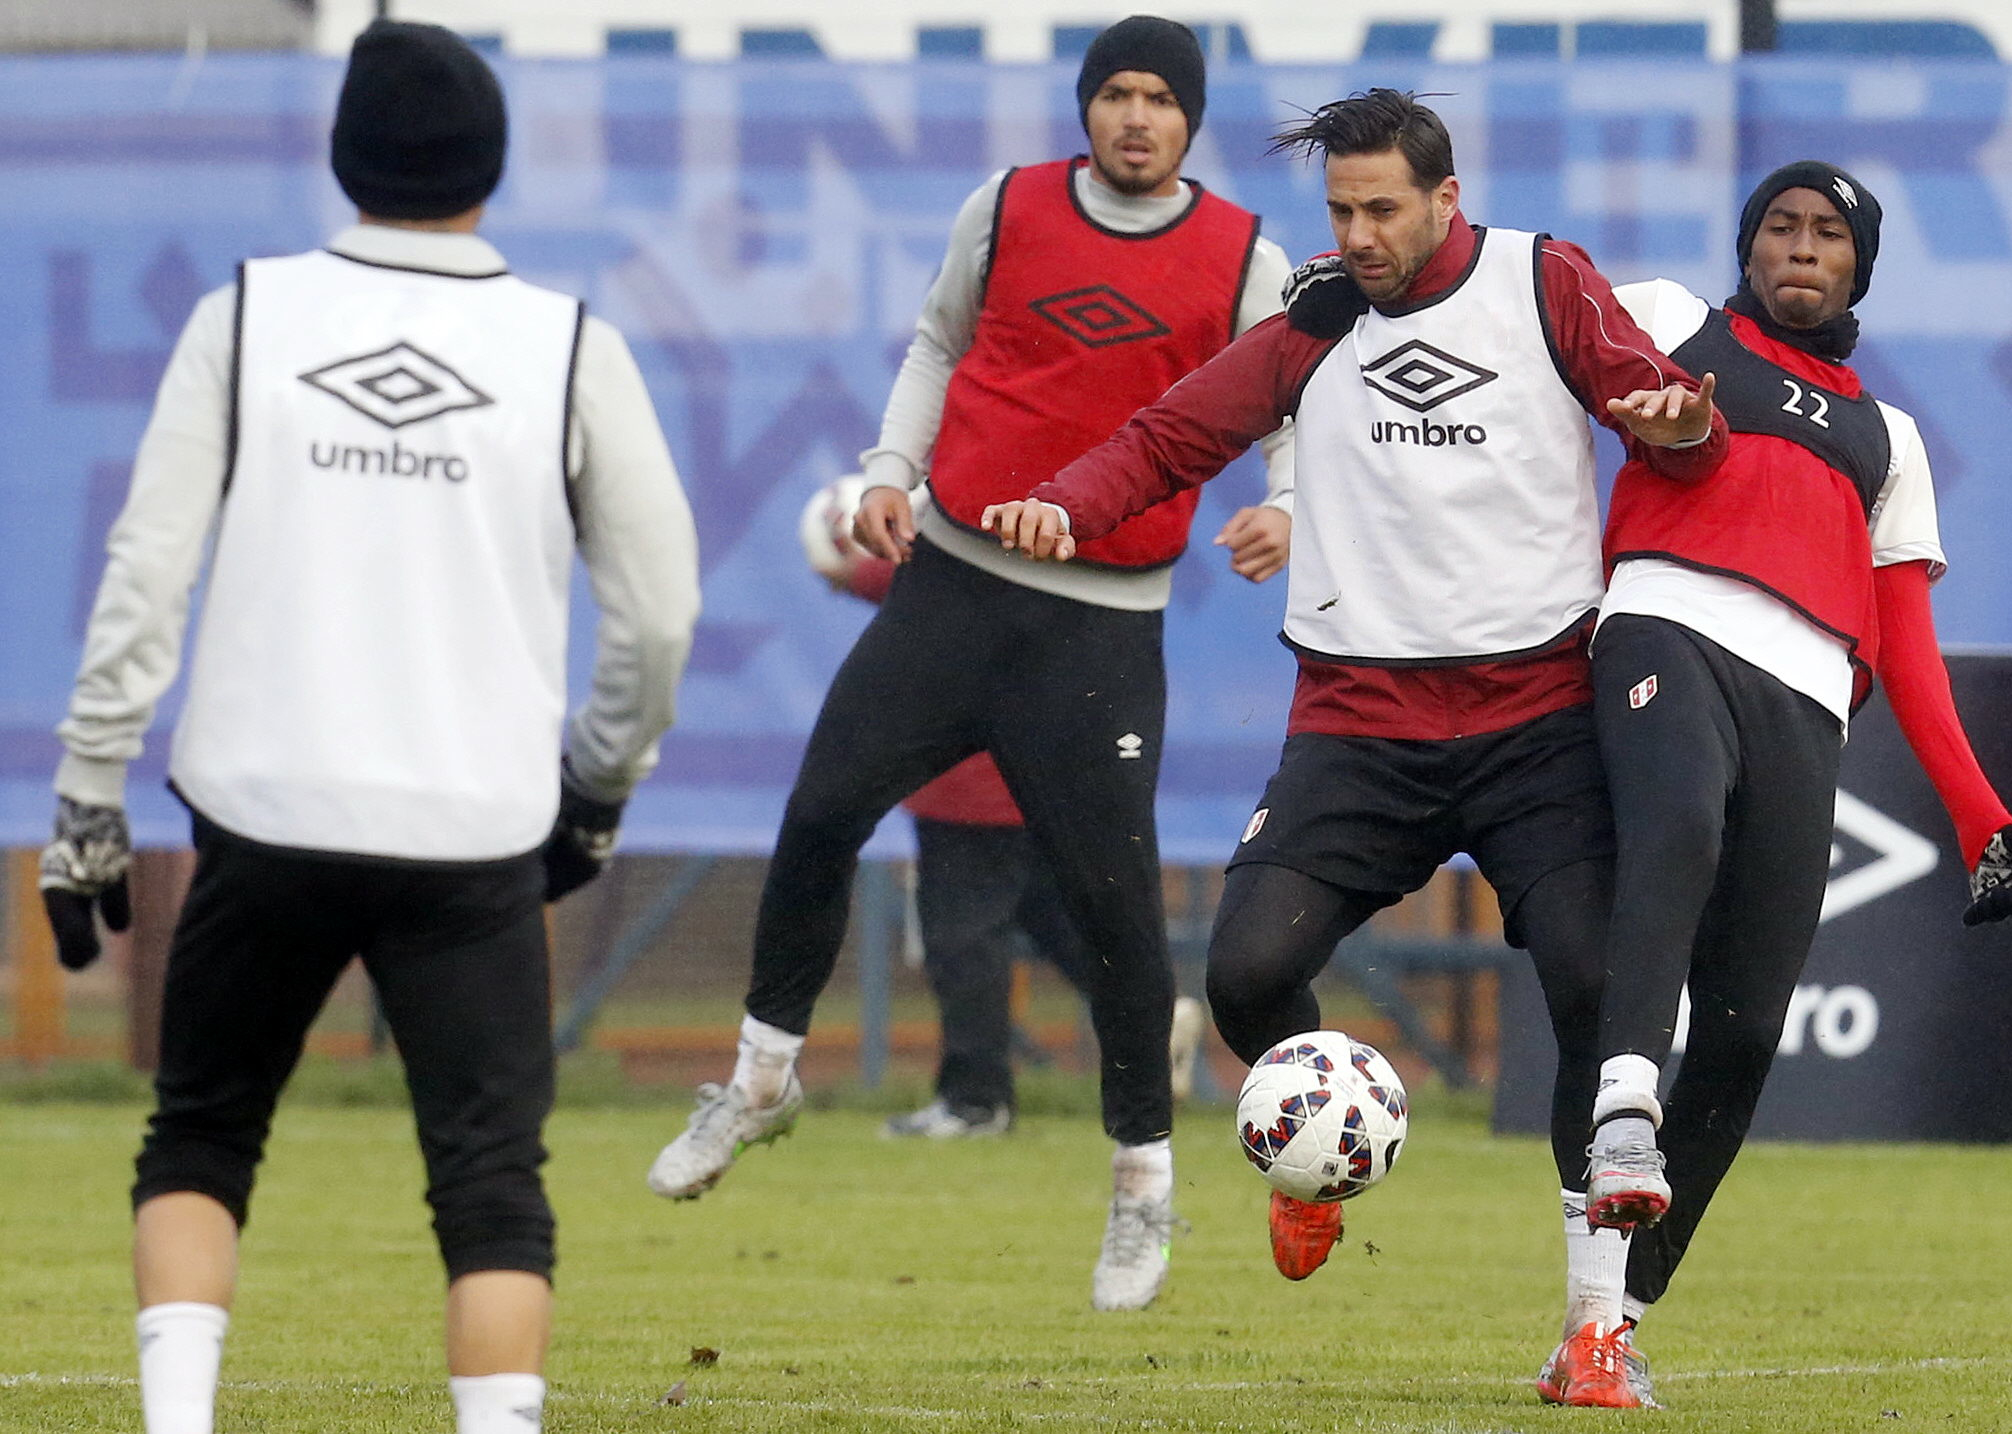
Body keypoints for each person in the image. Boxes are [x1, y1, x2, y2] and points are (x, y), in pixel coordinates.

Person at [982, 88, 1720, 1397]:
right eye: (1340, 211)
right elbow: (1171, 435)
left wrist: (1683, 426)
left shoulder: (1543, 281)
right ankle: (1317, 1158)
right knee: (1247, 975)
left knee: (1591, 987)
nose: (1360, 235)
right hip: (1358, 724)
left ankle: (1596, 1331)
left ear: (1445, 197)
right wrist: (1064, 503)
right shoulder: (1317, 318)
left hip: (1539, 720)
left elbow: (1658, 414)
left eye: (1383, 209)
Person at [34, 22, 701, 1434]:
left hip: (261, 815)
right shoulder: (568, 346)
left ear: (343, 158)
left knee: (201, 1136)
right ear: (492, 167)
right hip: (475, 836)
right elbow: (659, 617)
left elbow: (145, 576)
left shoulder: (245, 316)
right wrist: (598, 786)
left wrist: (90, 790)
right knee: (491, 1187)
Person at [646, 15, 1294, 1314]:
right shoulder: (1004, 207)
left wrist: (1289, 502)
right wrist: (891, 470)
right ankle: (761, 1080)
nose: (1135, 116)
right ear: (1085, 106)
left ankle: (1141, 1190)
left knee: (1117, 915)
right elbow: (938, 345)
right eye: (1115, 92)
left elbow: (1289, 404)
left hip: (1100, 625)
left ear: (1190, 120)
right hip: (951, 584)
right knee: (820, 811)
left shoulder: (1244, 257)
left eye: (1160, 99)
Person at [1557, 161, 2012, 1402]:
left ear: (1857, 269)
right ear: (1747, 246)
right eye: (1778, 226)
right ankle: (1624, 1106)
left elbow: (1909, 647)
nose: (1798, 248)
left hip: (1807, 696)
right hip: (1664, 623)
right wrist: (1376, 289)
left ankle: (1607, 1324)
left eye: (1827, 235)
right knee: (1675, 826)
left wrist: (1981, 816)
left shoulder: (1890, 440)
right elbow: (1525, 316)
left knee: (1745, 1032)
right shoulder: (1672, 321)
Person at [796, 480, 1211, 1137]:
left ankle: (975, 1100)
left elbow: (914, 579)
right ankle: (1152, 1020)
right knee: (1059, 919)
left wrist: (848, 567)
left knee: (961, 939)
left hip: (971, 785)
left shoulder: (972, 521)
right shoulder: (1035, 521)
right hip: (1027, 772)